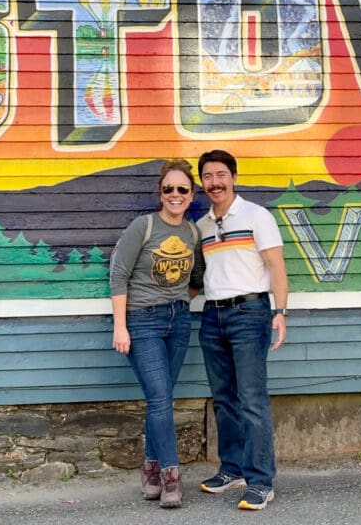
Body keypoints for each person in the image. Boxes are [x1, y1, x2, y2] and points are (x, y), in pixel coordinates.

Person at [194, 149, 289, 511]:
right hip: (212, 315)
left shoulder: (256, 216)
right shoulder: (202, 225)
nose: (214, 183)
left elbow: (276, 267)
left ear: (233, 177)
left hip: (249, 312)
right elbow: (200, 277)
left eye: (220, 175)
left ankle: (261, 480)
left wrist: (279, 312)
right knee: (223, 399)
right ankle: (231, 469)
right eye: (207, 177)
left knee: (252, 400)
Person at [110, 158, 204, 509]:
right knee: (162, 398)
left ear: (191, 195)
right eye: (169, 189)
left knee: (159, 399)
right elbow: (118, 275)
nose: (175, 195)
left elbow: (196, 280)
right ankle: (170, 476)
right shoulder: (144, 226)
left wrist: (179, 301)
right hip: (142, 322)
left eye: (182, 189)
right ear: (160, 193)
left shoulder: (192, 232)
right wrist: (121, 326)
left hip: (178, 321)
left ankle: (149, 472)